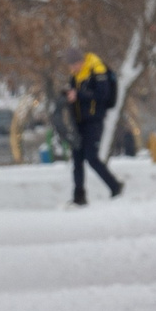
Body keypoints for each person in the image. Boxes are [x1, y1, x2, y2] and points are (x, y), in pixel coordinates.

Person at [69, 52, 124, 204]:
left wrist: (78, 95)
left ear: (81, 60)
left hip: (93, 120)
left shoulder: (97, 69)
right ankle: (79, 196)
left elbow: (102, 95)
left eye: (74, 64)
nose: (73, 67)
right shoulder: (75, 75)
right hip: (78, 122)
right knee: (77, 159)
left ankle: (115, 185)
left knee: (91, 157)